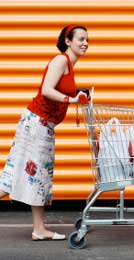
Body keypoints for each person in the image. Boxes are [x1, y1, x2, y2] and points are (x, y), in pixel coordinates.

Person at [0, 24, 89, 241]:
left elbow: (60, 88)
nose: (85, 43)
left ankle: (39, 229)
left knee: (33, 176)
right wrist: (72, 99)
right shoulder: (61, 61)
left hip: (41, 125)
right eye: (81, 39)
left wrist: (78, 93)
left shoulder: (69, 64)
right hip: (37, 123)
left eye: (87, 40)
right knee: (29, 176)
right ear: (68, 41)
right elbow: (47, 90)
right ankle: (39, 229)